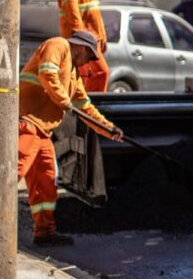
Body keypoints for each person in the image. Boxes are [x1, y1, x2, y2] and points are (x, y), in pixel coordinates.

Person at [19, 31, 122, 246]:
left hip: (43, 131)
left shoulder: (74, 76)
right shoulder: (57, 45)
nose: (88, 63)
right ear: (83, 49)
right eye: (90, 57)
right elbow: (47, 73)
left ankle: (44, 232)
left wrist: (109, 129)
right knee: (13, 171)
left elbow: (86, 108)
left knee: (46, 181)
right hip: (26, 122)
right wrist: (63, 100)